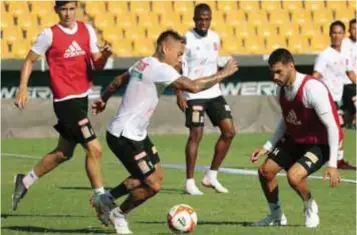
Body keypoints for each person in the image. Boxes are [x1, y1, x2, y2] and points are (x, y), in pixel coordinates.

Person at [91, 30, 238, 234]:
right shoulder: (160, 69)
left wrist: (104, 99)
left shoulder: (144, 62)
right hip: (124, 136)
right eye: (178, 53)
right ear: (164, 48)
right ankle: (119, 215)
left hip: (137, 134)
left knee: (155, 175)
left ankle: (105, 199)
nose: (180, 58)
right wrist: (225, 73)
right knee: (152, 185)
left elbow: (118, 81)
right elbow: (194, 87)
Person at [12, 0, 113, 225]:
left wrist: (105, 55)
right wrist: (22, 87)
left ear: (77, 7)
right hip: (65, 101)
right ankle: (100, 199)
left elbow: (97, 64)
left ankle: (25, 181)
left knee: (63, 153)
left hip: (81, 99)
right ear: (56, 10)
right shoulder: (49, 35)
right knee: (94, 149)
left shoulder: (87, 30)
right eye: (63, 9)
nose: (67, 13)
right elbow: (29, 60)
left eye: (71, 8)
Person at [250, 48, 342, 228]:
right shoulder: (281, 90)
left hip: (319, 143)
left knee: (294, 177)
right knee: (265, 171)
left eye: (278, 71)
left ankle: (309, 205)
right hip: (295, 138)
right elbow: (286, 120)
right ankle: (276, 217)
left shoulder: (312, 88)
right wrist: (267, 146)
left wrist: (333, 165)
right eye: (272, 72)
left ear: (291, 66)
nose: (275, 76)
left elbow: (333, 126)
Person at [176, 3, 236, 195]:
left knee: (229, 132)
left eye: (206, 18)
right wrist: (179, 92)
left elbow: (213, 63)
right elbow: (177, 67)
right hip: (193, 93)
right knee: (196, 135)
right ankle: (190, 181)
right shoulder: (186, 39)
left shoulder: (215, 37)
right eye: (200, 18)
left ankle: (211, 176)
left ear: (210, 19)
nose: (203, 22)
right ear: (194, 19)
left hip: (214, 92)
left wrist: (224, 67)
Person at [312, 20, 356, 170]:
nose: (337, 36)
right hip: (328, 97)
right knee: (336, 129)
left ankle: (338, 159)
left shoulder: (345, 54)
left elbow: (350, 73)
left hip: (340, 95)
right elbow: (315, 75)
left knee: (343, 120)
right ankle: (336, 161)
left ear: (344, 35)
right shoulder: (324, 55)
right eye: (334, 33)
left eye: (339, 33)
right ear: (330, 34)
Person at [341, 18, 356, 128]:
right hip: (349, 85)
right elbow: (349, 71)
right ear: (349, 30)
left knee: (349, 114)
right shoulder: (345, 44)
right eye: (354, 28)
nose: (356, 31)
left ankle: (334, 128)